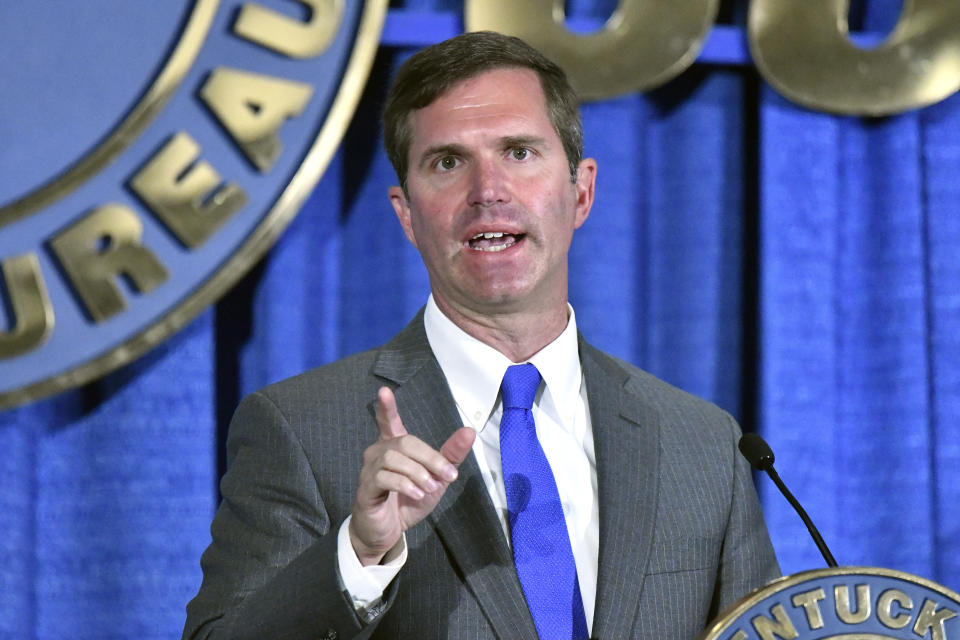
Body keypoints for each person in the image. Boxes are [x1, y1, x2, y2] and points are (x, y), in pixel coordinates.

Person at [183, 31, 779, 640]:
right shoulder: (303, 430)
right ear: (407, 214)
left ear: (581, 192)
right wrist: (358, 555)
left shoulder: (702, 446)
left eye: (519, 152)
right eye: (448, 162)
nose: (487, 190)